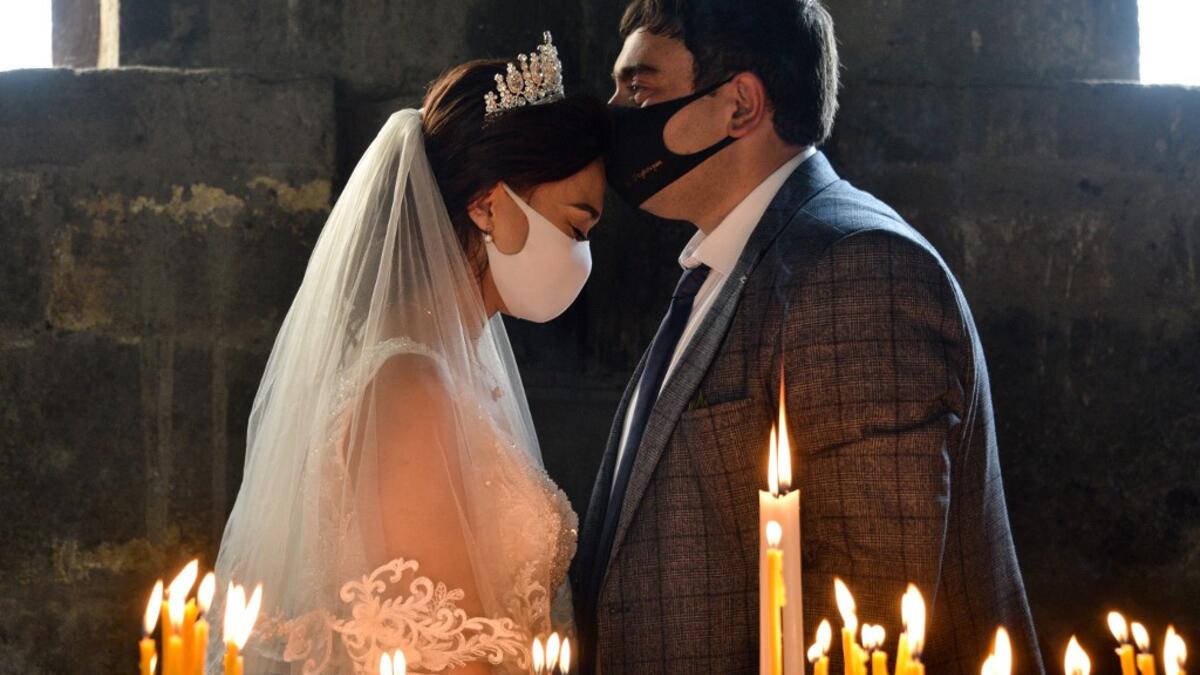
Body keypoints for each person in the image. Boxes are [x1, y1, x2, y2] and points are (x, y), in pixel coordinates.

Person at [570, 1, 1044, 673]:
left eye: (639, 88)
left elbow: (863, 620)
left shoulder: (857, 270)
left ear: (740, 105)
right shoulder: (729, 263)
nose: (613, 114)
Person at [208, 33, 607, 674]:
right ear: (488, 205)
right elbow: (446, 652)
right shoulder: (410, 390)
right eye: (576, 226)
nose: (583, 256)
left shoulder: (452, 366)